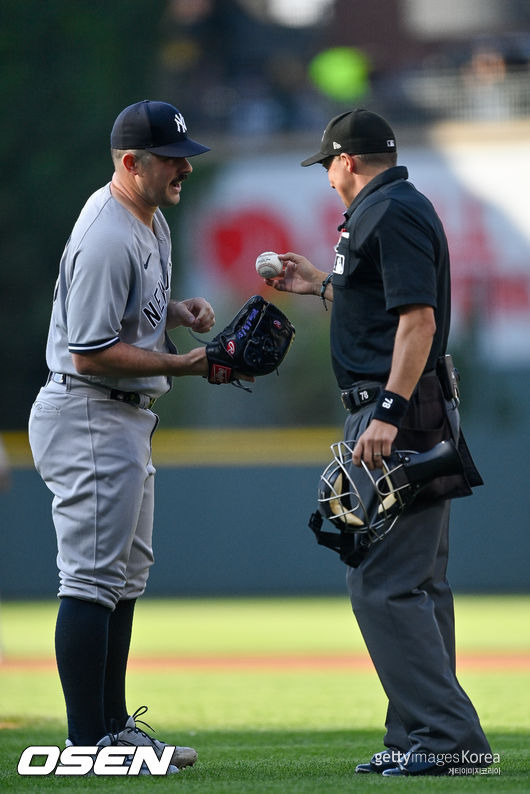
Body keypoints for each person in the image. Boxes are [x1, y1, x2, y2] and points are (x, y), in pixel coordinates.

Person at [28, 99, 250, 774]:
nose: (184, 167)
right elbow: (90, 352)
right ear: (131, 163)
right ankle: (85, 741)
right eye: (171, 158)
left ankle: (113, 729)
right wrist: (183, 360)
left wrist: (177, 315)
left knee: (123, 578)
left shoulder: (148, 221)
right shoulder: (106, 233)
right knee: (92, 579)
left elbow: (132, 317)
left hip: (121, 415)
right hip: (89, 408)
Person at [269, 109, 491, 776]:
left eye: (328, 165)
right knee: (417, 585)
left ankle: (451, 739)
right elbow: (383, 304)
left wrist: (387, 413)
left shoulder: (387, 211)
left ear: (346, 161)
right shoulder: (395, 207)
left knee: (383, 584)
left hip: (395, 415)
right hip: (410, 411)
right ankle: (417, 734)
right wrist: (321, 285)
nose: (329, 178)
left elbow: (417, 322)